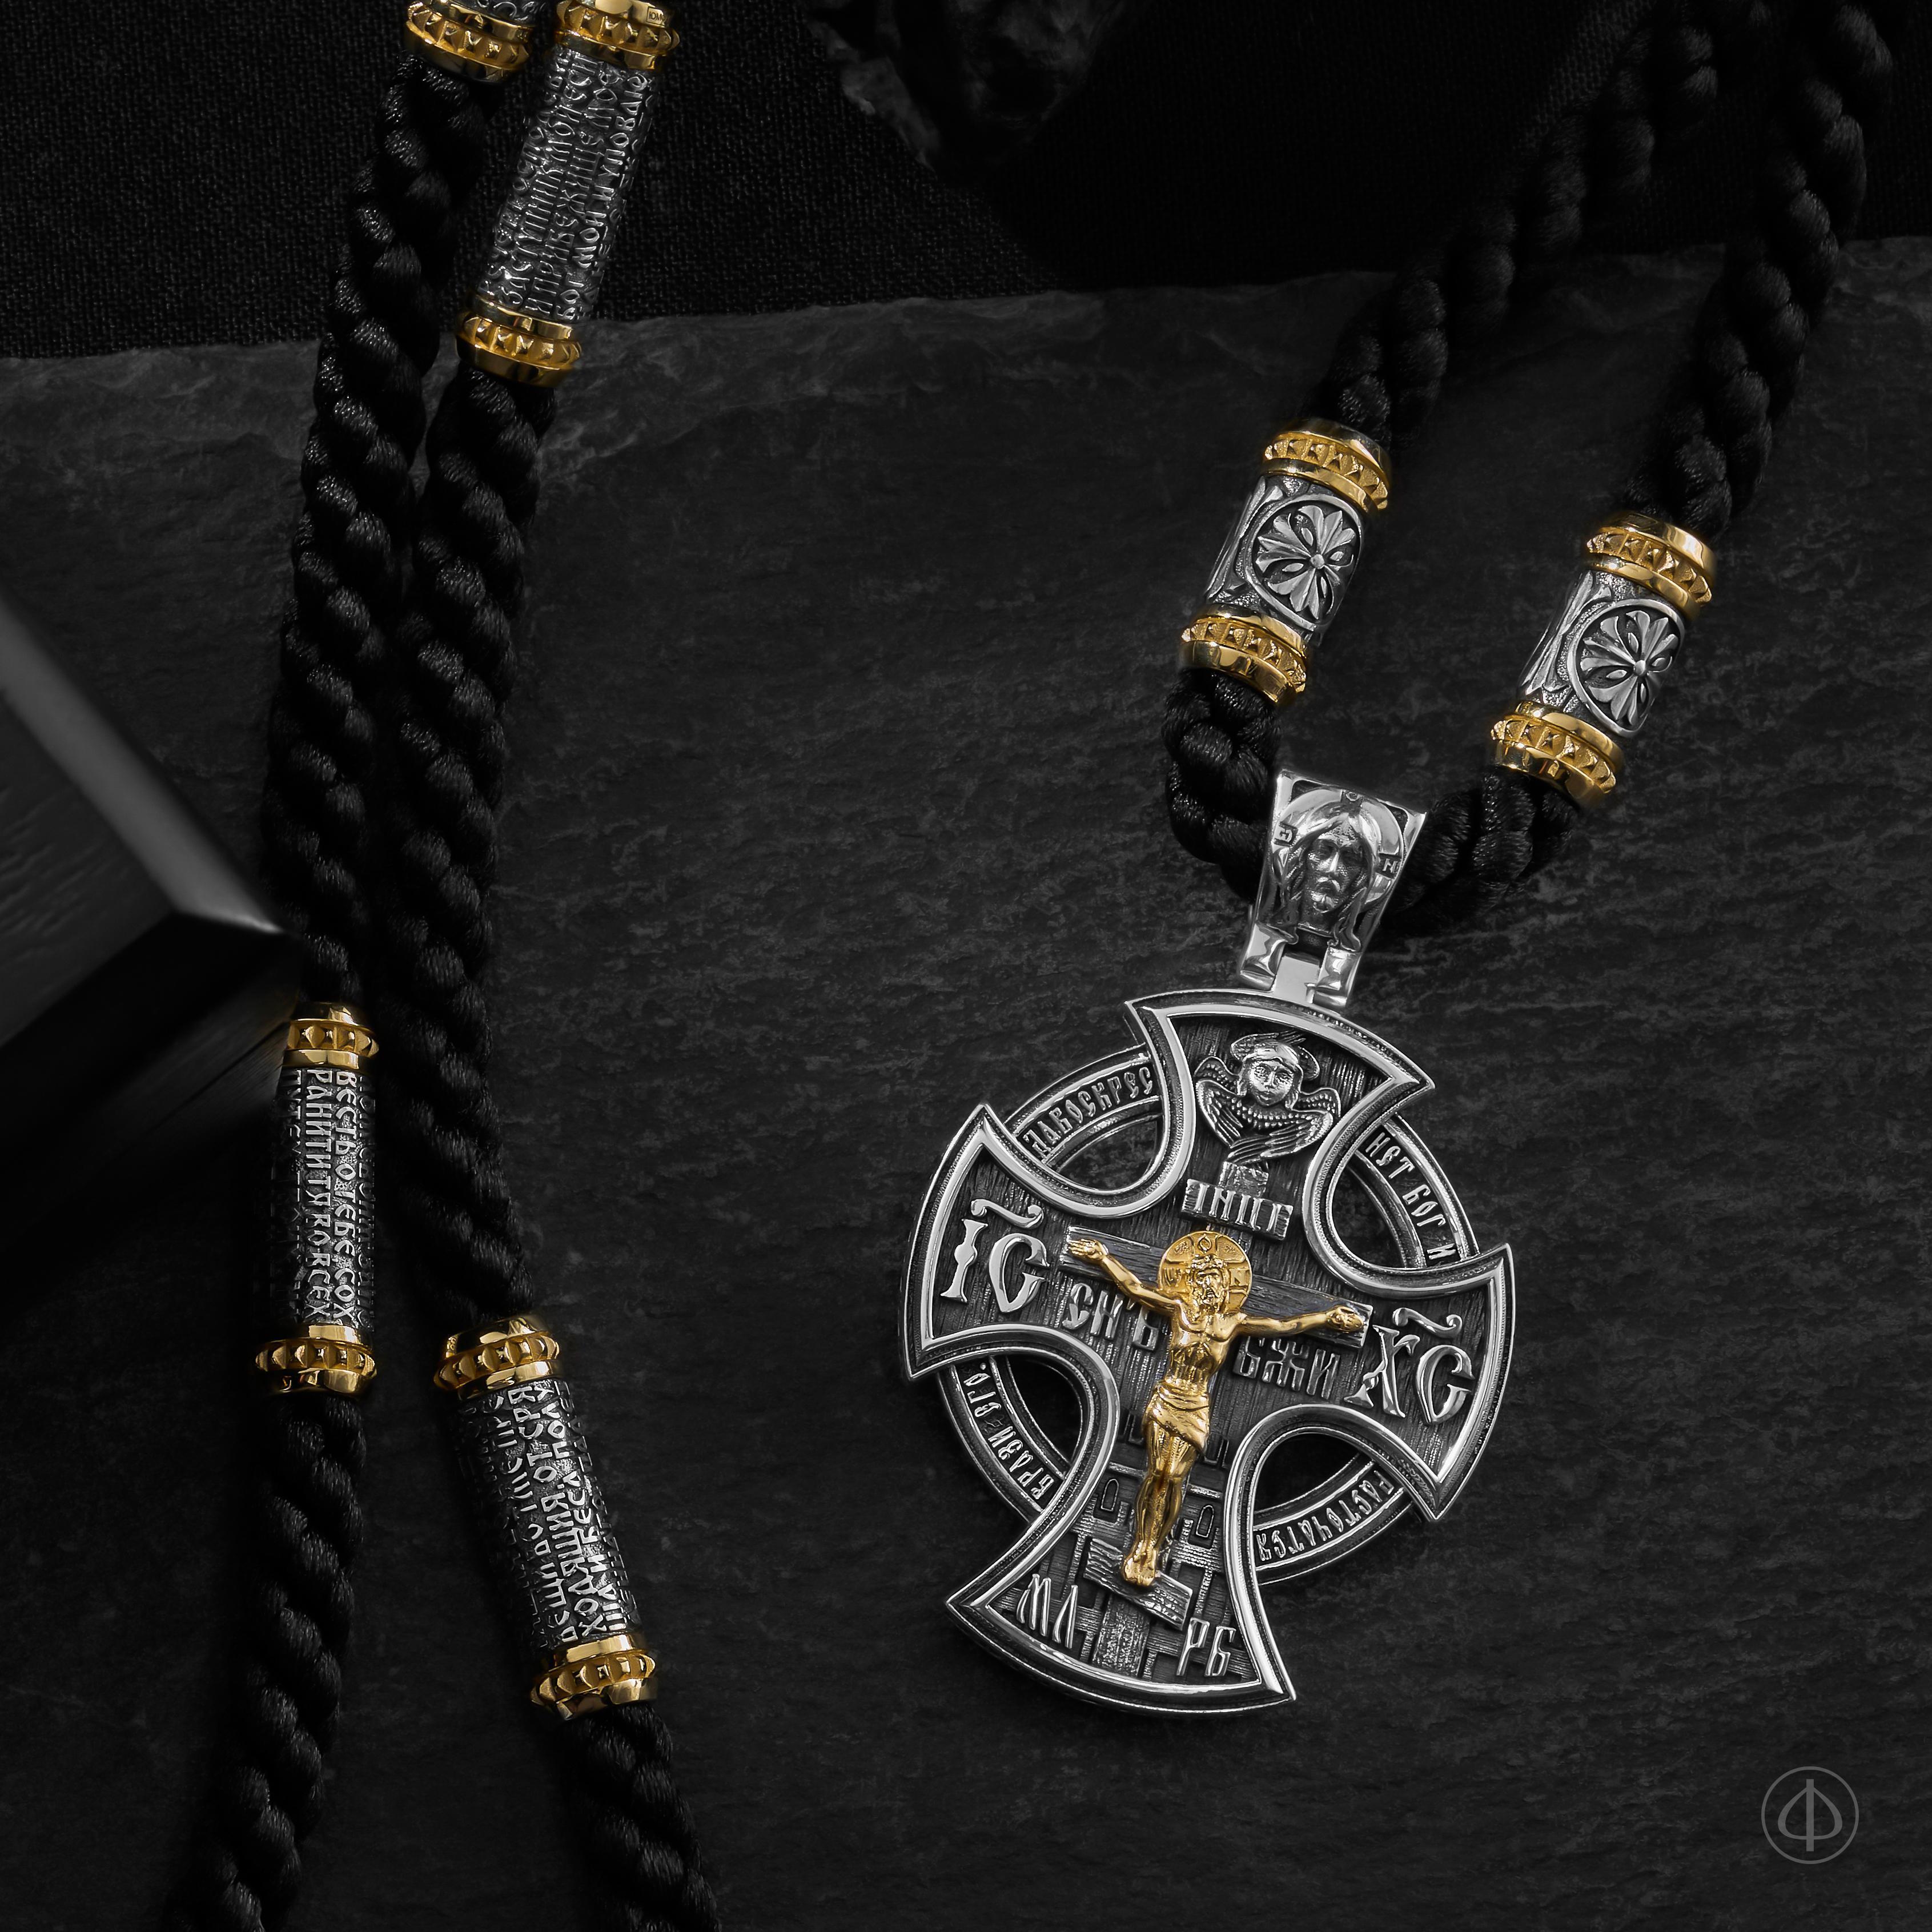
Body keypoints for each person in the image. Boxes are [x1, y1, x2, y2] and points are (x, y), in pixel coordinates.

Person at [1068, 1229, 1365, 1586]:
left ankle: (1156, 1547)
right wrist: (1104, 1259)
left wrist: (1326, 1318)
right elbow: (1135, 1287)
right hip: (1168, 1396)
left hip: (1196, 1404)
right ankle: (1142, 1546)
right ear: (1193, 1283)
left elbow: (1284, 1325)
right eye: (1202, 1279)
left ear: (1225, 1286)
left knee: (1174, 1478)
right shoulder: (1179, 1309)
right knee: (1158, 1472)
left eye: (1215, 1279)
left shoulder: (1233, 1323)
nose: (1208, 1286)